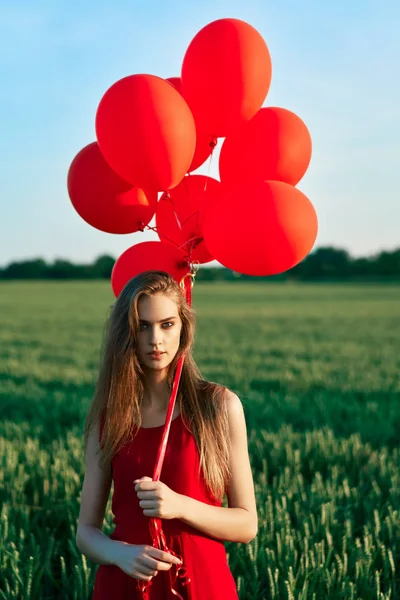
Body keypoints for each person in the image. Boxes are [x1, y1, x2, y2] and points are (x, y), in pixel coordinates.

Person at [76, 270, 258, 599]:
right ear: (126, 332)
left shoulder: (218, 406)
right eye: (143, 326)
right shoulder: (108, 418)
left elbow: (246, 525)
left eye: (167, 324)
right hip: (125, 584)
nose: (155, 340)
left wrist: (179, 505)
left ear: (183, 328)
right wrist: (120, 554)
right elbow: (86, 532)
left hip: (201, 584)